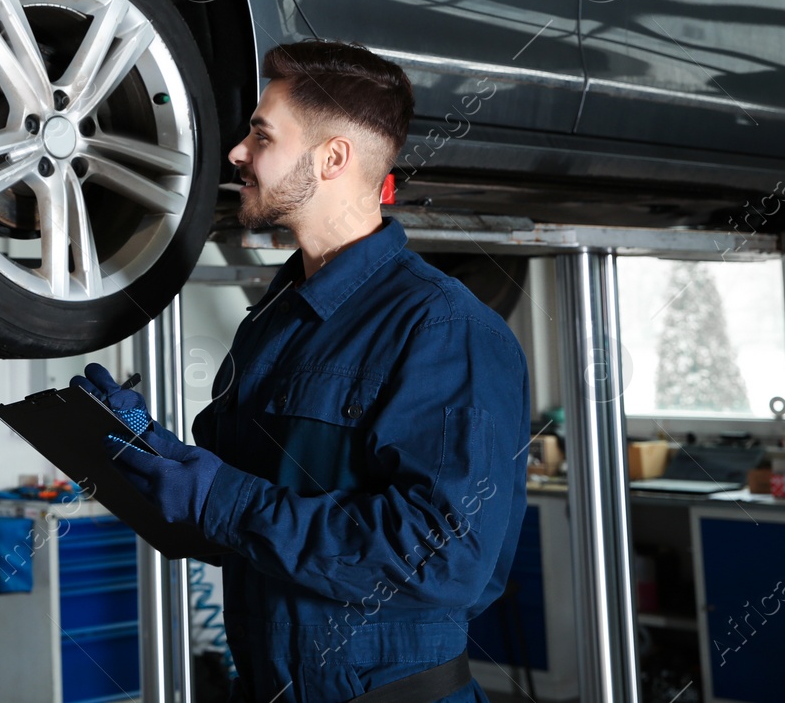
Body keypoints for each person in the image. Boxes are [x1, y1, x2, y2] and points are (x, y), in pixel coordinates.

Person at [75, 39, 529, 702]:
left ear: (333, 157)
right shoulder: (274, 322)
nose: (238, 153)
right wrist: (161, 461)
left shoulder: (439, 325)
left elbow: (446, 559)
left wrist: (218, 496)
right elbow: (254, 528)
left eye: (261, 135)